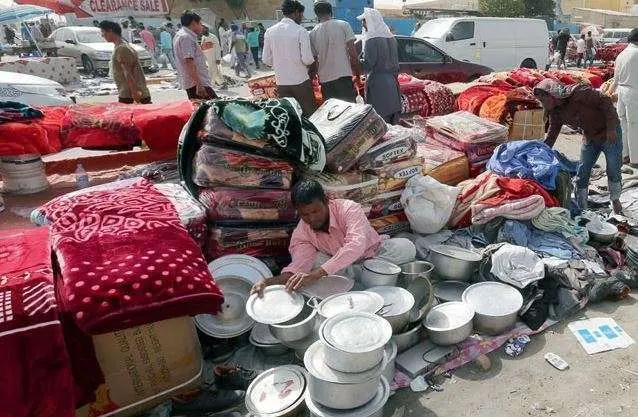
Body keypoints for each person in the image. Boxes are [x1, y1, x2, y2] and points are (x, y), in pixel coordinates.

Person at [250, 180, 416, 296]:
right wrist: (268, 282)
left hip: (374, 255)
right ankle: (360, 282)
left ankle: (354, 283)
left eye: (315, 211)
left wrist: (317, 275)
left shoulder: (349, 209)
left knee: (405, 246)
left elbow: (355, 245)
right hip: (341, 267)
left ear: (326, 201)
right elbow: (300, 265)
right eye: (304, 214)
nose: (311, 218)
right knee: (311, 266)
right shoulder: (302, 231)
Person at [533, 78, 622, 214]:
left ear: (552, 95)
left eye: (543, 100)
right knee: (583, 170)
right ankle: (582, 206)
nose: (542, 103)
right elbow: (552, 133)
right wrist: (541, 152)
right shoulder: (555, 112)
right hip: (590, 136)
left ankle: (615, 200)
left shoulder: (579, 92)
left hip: (609, 133)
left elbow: (605, 101)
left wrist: (611, 128)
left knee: (613, 167)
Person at [262, 0, 317, 116]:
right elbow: (307, 59)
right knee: (310, 115)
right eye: (302, 14)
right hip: (300, 81)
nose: (302, 17)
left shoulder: (270, 31)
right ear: (296, 12)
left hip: (281, 82)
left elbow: (266, 59)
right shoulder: (300, 31)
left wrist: (280, 63)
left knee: (291, 116)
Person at [310, 2, 360, 102]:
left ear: (317, 15)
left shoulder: (313, 33)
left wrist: (312, 79)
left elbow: (314, 61)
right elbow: (352, 52)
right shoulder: (343, 25)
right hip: (343, 76)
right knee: (349, 112)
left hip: (325, 80)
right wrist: (357, 72)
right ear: (331, 12)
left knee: (332, 113)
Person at [358, 8, 401, 123]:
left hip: (378, 82)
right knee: (393, 117)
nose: (363, 24)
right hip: (392, 81)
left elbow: (368, 64)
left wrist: (357, 60)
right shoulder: (391, 38)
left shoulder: (371, 40)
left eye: (364, 21)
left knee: (381, 119)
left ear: (371, 21)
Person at [99, 20, 151, 104]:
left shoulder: (122, 48)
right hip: (129, 93)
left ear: (110, 31)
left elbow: (128, 73)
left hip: (130, 95)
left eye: (103, 32)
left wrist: (135, 94)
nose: (102, 35)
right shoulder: (121, 46)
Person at [173, 10, 217, 99]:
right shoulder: (186, 37)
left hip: (194, 82)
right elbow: (189, 62)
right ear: (193, 23)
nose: (201, 26)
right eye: (200, 23)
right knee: (215, 108)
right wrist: (199, 85)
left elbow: (189, 55)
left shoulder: (181, 35)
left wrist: (201, 48)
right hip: (197, 84)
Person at [613, 28, 638, 166]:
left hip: (622, 93)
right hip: (633, 94)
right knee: (634, 126)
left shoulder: (621, 55)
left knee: (622, 126)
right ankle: (635, 159)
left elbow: (615, 80)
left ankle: (624, 155)